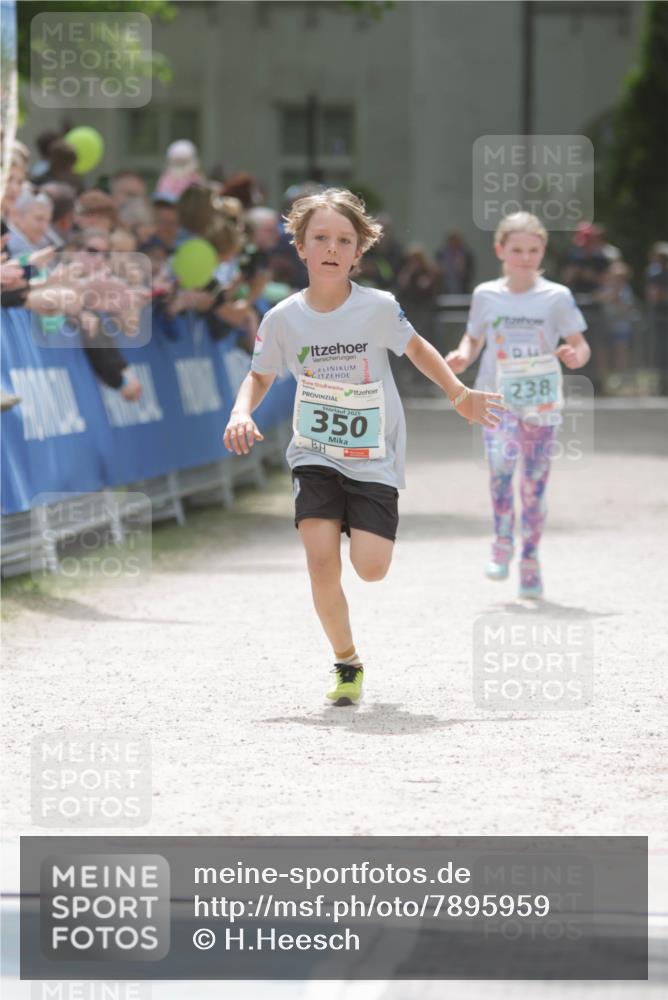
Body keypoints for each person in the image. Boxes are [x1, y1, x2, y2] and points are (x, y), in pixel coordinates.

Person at [223, 188, 502, 706]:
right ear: (300, 247)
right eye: (320, 238)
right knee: (320, 563)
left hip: (372, 454)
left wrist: (459, 395)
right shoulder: (282, 318)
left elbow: (417, 349)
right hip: (314, 452)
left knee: (371, 568)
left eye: (344, 240)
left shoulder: (378, 308)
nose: (332, 248)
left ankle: (357, 519)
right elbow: (259, 375)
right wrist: (242, 412)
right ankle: (346, 661)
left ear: (359, 250)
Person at [446, 211, 591, 599]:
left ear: (543, 251)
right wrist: (462, 356)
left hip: (541, 403)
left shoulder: (557, 296)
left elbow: (580, 344)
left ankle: (530, 560)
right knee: (500, 467)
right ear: (500, 251)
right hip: (496, 399)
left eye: (533, 250)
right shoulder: (485, 294)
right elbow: (473, 337)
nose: (525, 257)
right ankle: (502, 541)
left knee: (533, 485)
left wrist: (575, 356)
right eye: (517, 250)